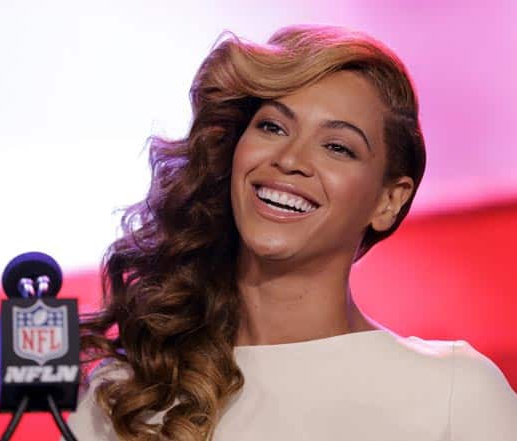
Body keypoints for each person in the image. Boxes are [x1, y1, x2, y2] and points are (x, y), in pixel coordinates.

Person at [65, 24, 517, 440]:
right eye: (272, 126)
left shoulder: (457, 395)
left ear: (388, 201)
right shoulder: (124, 397)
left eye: (337, 147)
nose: (290, 159)